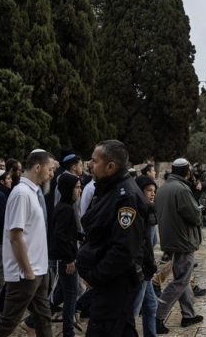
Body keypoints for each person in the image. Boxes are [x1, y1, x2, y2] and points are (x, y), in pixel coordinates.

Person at [76, 140, 148, 337]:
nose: (89, 164)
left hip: (116, 283)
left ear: (110, 166)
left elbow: (124, 250)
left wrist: (95, 277)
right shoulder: (110, 188)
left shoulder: (126, 197)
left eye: (94, 160)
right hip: (112, 282)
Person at [0, 150, 55, 337]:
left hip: (38, 270)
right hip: (25, 274)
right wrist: (27, 270)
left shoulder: (32, 192)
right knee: (7, 323)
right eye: (50, 170)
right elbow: (15, 236)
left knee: (44, 318)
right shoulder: (21, 194)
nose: (52, 175)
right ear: (37, 167)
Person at [26, 174, 82, 337]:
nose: (79, 190)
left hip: (63, 257)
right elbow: (59, 236)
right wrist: (69, 259)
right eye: (76, 187)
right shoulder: (65, 208)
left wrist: (79, 236)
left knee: (62, 294)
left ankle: (30, 322)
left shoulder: (64, 206)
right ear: (68, 189)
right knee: (71, 296)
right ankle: (68, 332)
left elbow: (66, 232)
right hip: (64, 259)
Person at [154, 158, 204, 334]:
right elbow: (195, 216)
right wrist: (198, 206)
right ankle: (157, 317)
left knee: (183, 278)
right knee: (180, 281)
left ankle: (189, 314)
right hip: (183, 241)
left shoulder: (164, 188)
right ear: (187, 173)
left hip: (172, 240)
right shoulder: (182, 190)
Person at [133, 175, 159, 337]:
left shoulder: (147, 209)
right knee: (133, 310)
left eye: (154, 191)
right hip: (140, 269)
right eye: (148, 190)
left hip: (146, 268)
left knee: (151, 305)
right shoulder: (137, 212)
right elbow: (140, 244)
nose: (152, 194)